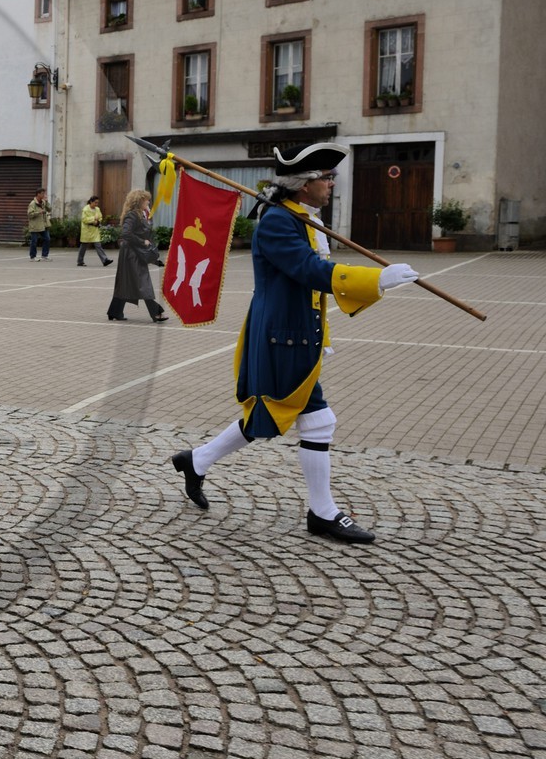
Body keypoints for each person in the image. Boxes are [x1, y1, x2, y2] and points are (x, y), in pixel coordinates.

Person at [165, 143, 420, 544]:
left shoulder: (300, 217)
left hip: (296, 332)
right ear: (304, 185)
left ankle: (196, 460)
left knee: (269, 413)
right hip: (281, 336)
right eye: (326, 177)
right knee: (318, 421)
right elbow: (308, 270)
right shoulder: (278, 223)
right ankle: (323, 513)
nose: (332, 184)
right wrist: (376, 279)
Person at [107, 189, 168, 323]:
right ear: (139, 201)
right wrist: (143, 241)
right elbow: (126, 233)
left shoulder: (139, 214)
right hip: (132, 254)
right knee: (142, 282)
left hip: (133, 253)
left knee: (125, 282)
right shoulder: (133, 215)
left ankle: (115, 311)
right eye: (146, 199)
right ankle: (156, 312)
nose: (148, 201)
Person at [77, 195, 113, 268]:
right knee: (83, 246)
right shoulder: (85, 209)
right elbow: (84, 219)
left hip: (94, 230)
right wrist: (94, 219)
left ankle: (105, 260)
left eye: (97, 203)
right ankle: (80, 261)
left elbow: (100, 217)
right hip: (87, 230)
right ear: (91, 202)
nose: (96, 204)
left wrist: (98, 222)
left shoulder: (97, 209)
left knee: (98, 245)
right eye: (95, 203)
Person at [25, 188, 53, 261]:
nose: (44, 195)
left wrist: (47, 202)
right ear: (38, 194)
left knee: (47, 239)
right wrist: (39, 212)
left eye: (44, 193)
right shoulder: (32, 203)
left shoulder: (43, 202)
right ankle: (33, 257)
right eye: (43, 193)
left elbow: (49, 209)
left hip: (43, 225)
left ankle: (44, 256)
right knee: (34, 241)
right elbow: (29, 214)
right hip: (35, 225)